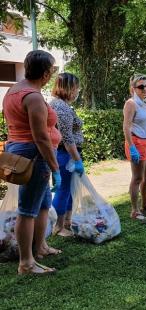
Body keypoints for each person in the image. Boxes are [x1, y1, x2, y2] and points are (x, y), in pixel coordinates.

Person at [2, 50, 62, 275]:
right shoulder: (33, 96)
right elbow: (40, 137)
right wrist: (55, 167)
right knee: (27, 209)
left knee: (43, 202)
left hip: (22, 150)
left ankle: (41, 247)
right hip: (34, 154)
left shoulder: (13, 90)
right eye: (52, 71)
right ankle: (26, 262)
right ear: (45, 73)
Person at [50, 73, 84, 237]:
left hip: (68, 153)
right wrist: (77, 160)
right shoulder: (60, 107)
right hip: (65, 154)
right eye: (76, 87)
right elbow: (67, 138)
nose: (78, 90)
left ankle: (67, 222)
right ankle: (58, 226)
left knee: (69, 189)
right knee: (63, 189)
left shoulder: (62, 105)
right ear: (68, 88)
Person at [123, 73, 146, 222]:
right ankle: (134, 210)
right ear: (133, 88)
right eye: (141, 87)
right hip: (137, 143)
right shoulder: (131, 103)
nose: (145, 89)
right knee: (137, 178)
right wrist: (131, 146)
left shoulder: (144, 104)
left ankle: (145, 204)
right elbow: (126, 126)